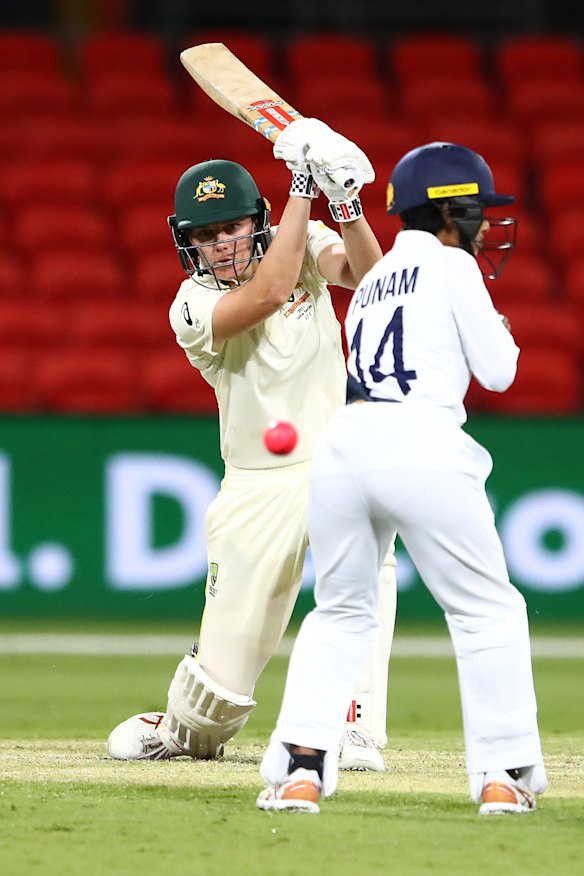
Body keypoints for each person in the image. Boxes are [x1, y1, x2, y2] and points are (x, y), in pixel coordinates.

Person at [257, 141, 548, 816]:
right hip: (420, 440)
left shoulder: (373, 284)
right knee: (488, 611)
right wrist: (496, 327)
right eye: (476, 210)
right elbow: (499, 371)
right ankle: (502, 776)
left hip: (345, 445)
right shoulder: (453, 267)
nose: (483, 224)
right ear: (448, 213)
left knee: (341, 613)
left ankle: (300, 770)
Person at [107, 118, 397, 770]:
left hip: (335, 459)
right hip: (256, 487)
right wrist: (302, 182)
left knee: (367, 572)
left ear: (257, 222)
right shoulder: (191, 304)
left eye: (233, 227)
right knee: (213, 709)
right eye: (206, 235)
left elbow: (373, 281)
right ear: (190, 246)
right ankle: (180, 727)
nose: (221, 244)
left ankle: (350, 725)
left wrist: (344, 204)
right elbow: (267, 293)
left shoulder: (309, 242)